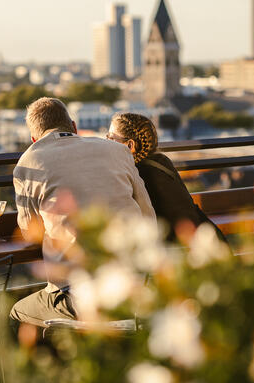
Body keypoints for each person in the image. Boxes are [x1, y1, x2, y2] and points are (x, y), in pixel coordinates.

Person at [10, 98, 156, 329]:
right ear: (74, 127)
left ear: (34, 139)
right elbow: (148, 217)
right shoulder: (118, 150)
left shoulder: (29, 161)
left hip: (79, 294)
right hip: (136, 285)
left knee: (16, 312)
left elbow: (29, 233)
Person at [107, 112, 228, 244]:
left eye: (111, 138)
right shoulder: (162, 161)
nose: (106, 142)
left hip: (183, 249)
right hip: (209, 240)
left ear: (130, 145)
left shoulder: (136, 173)